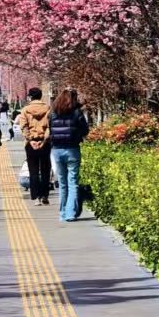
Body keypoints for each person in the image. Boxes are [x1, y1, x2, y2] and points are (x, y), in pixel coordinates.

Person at [48, 87, 91, 222]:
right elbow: (85, 130)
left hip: (57, 150)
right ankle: (70, 213)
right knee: (73, 182)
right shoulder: (76, 113)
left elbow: (50, 129)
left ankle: (62, 213)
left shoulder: (53, 113)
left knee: (62, 183)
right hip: (72, 149)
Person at [17, 86, 53, 204]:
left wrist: (31, 140)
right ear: (41, 96)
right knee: (45, 169)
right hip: (45, 142)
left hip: (30, 143)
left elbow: (23, 126)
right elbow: (50, 126)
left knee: (33, 171)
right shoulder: (48, 108)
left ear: (30, 97)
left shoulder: (25, 110)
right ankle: (45, 195)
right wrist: (43, 140)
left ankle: (36, 197)